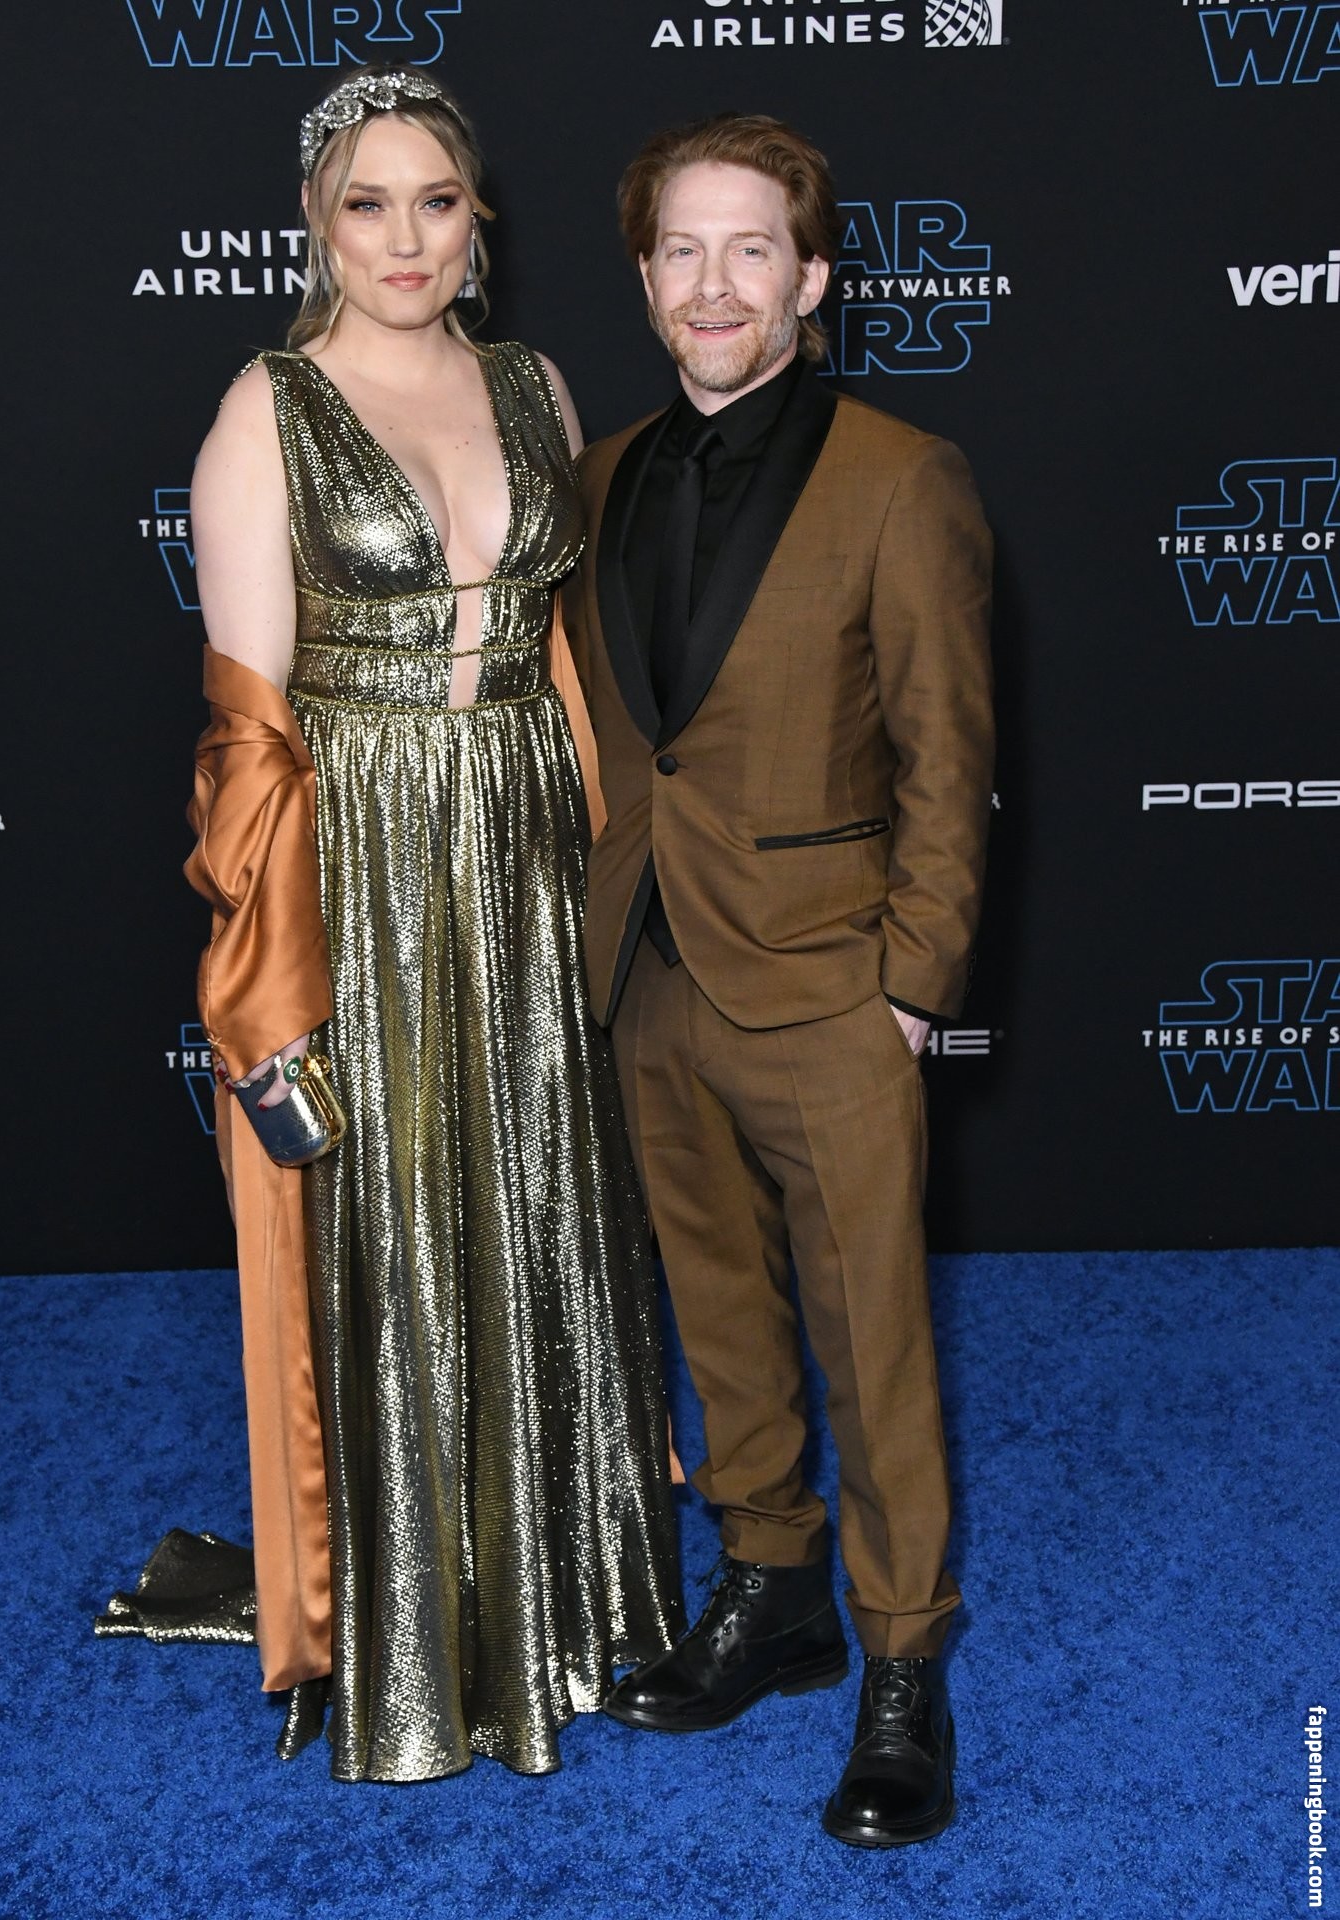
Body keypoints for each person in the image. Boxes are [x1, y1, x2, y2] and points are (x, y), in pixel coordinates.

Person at [180, 63, 682, 1783]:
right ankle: (422, 1636)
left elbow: (571, 657)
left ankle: (572, 1600)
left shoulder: (535, 385)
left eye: (437, 201)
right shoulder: (267, 408)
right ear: (316, 227)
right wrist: (264, 991)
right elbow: (249, 734)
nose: (405, 239)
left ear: (480, 222)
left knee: (547, 1195)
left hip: (529, 833)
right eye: (367, 205)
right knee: (396, 1219)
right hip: (370, 855)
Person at [560, 114, 993, 1847]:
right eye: (682, 249)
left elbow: (950, 755)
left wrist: (912, 986)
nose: (713, 283)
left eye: (751, 248)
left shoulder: (902, 475)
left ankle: (900, 1660)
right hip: (649, 961)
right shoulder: (597, 476)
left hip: (827, 982)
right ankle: (772, 1583)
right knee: (717, 1310)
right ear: (645, 278)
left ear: (810, 277)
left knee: (871, 1343)